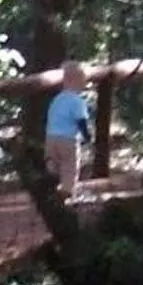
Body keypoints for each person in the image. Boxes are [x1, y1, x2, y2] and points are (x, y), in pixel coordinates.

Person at [45, 61, 93, 197]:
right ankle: (67, 191)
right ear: (76, 81)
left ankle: (51, 166)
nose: (84, 85)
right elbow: (81, 121)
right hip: (68, 140)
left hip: (51, 138)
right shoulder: (77, 101)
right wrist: (87, 136)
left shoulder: (57, 99)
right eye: (83, 81)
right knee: (70, 166)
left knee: (55, 161)